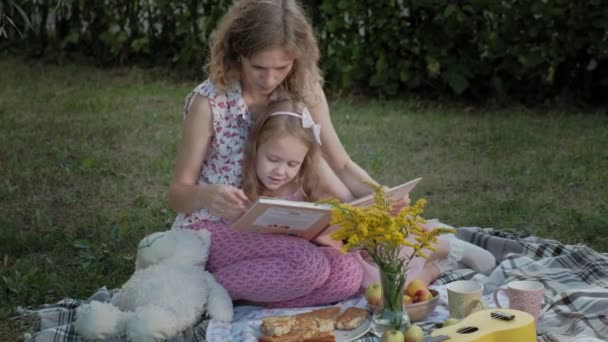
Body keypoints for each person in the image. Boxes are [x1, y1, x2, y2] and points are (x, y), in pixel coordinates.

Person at [168, 0, 494, 307]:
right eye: (258, 67)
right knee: (310, 265)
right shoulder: (208, 103)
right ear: (237, 52)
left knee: (348, 274)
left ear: (297, 58)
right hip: (222, 230)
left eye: (281, 67)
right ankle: (202, 286)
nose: (269, 79)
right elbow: (178, 194)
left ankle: (253, 291)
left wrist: (381, 200)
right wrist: (208, 196)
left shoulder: (303, 90)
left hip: (287, 224)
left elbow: (342, 163)